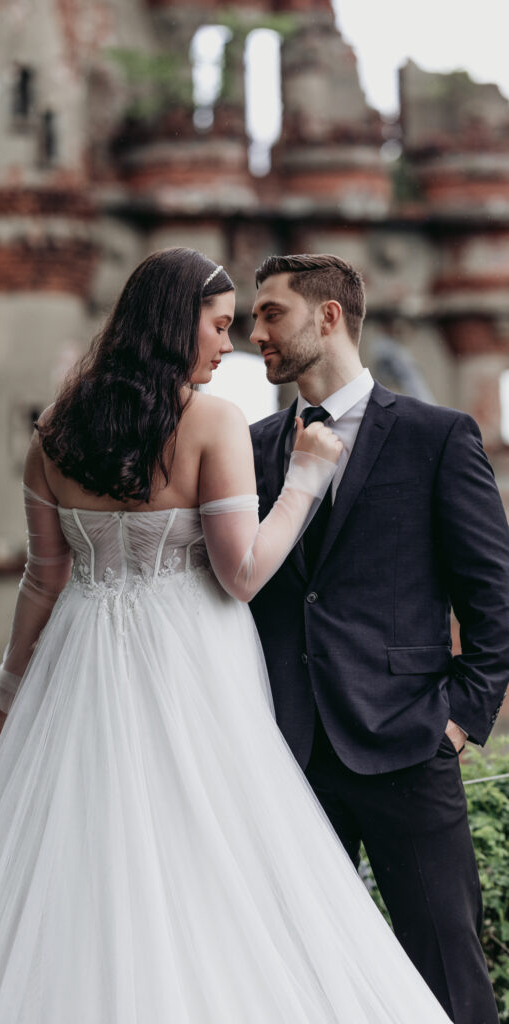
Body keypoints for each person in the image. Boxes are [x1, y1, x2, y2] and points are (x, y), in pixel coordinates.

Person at [0, 248, 452, 1023]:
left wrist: (2, 706)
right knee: (216, 862)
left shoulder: (55, 432)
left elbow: (43, 580)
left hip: (78, 667)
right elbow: (241, 575)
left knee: (82, 861)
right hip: (193, 668)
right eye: (217, 326)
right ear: (175, 325)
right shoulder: (212, 422)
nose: (228, 345)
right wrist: (303, 478)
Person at [248, 252, 509, 1024]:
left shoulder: (437, 437)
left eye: (272, 313)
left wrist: (457, 721)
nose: (254, 331)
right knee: (292, 984)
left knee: (448, 981)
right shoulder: (255, 446)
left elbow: (494, 599)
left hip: (408, 748)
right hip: (285, 756)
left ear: (328, 318)